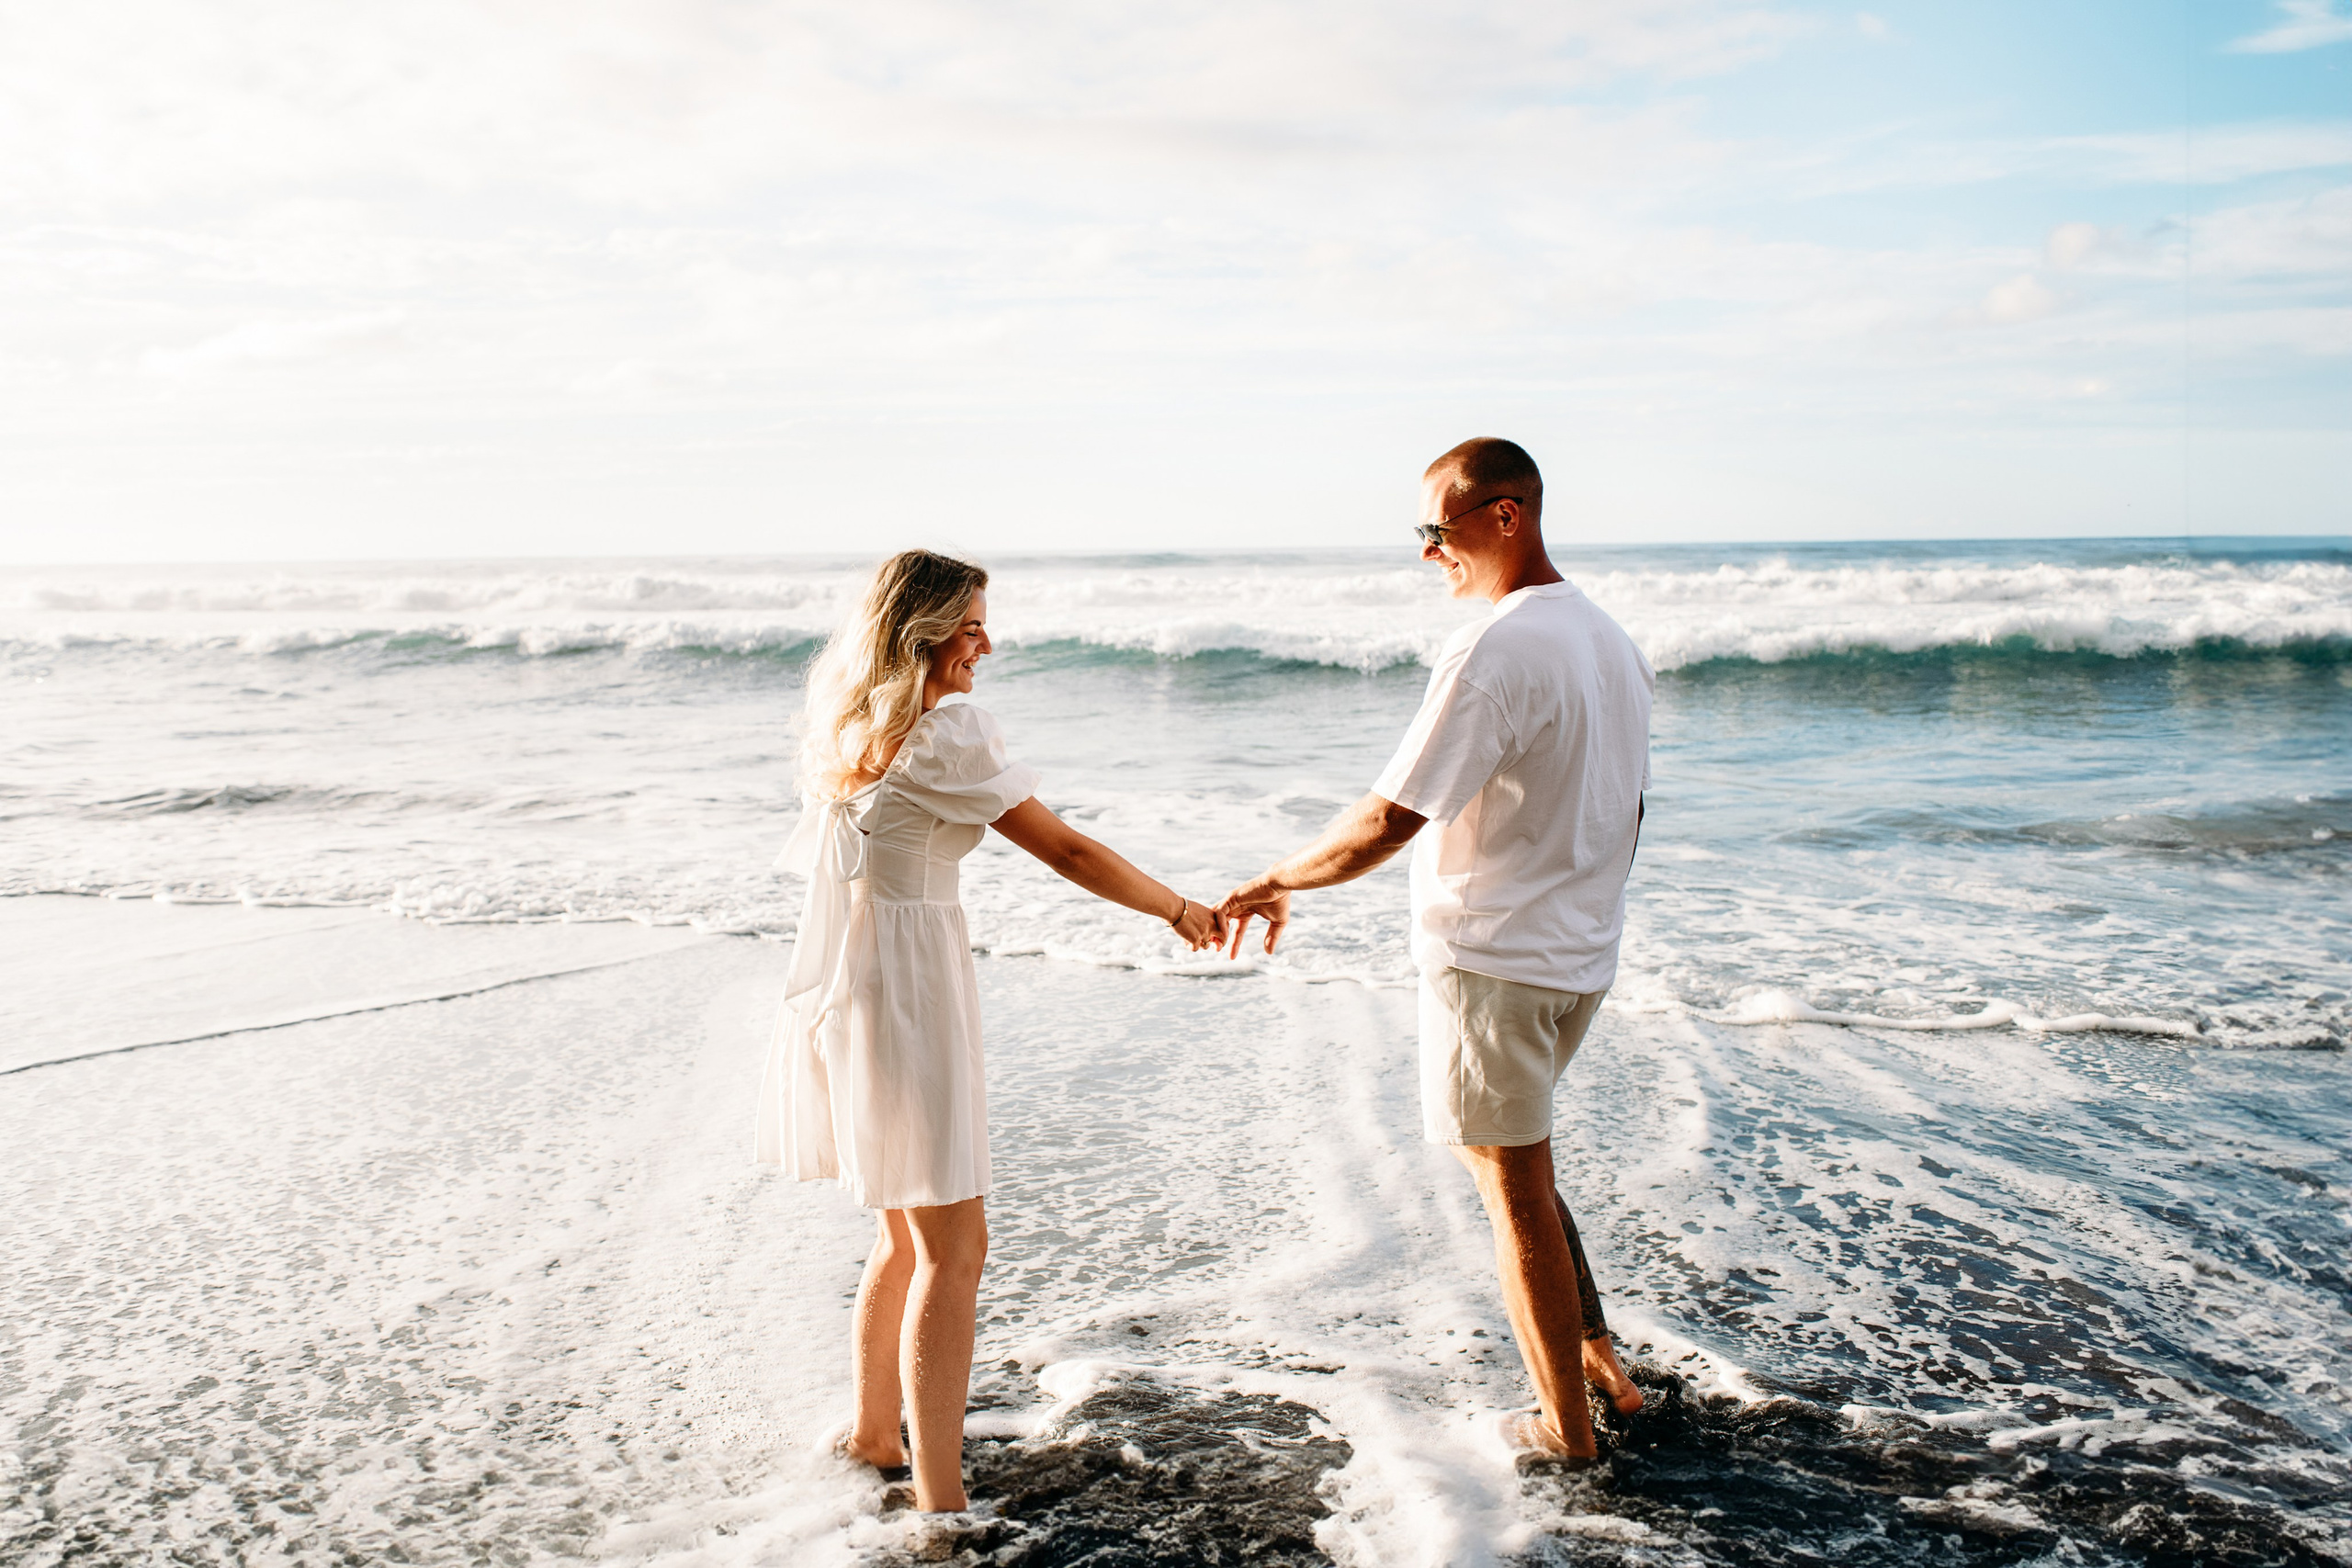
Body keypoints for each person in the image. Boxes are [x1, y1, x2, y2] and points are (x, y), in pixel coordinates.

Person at [759, 549, 1226, 1511]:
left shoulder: (856, 726)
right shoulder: (948, 729)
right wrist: (1177, 908)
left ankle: (876, 1434)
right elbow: (1066, 849)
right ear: (924, 633)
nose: (987, 643)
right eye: (971, 626)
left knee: (903, 1233)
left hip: (863, 983)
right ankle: (941, 1505)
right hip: (909, 990)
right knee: (953, 1247)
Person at [1218, 438, 1652, 1461]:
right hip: (1575, 960)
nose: (1426, 552)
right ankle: (1601, 1365)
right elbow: (1628, 809)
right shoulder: (1608, 637)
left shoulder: (1495, 647)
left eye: (1435, 528)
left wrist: (1277, 878)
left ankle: (1566, 1430)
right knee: (1514, 1162)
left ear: (1504, 515)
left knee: (1511, 1189)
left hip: (1495, 961)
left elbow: (1388, 820)